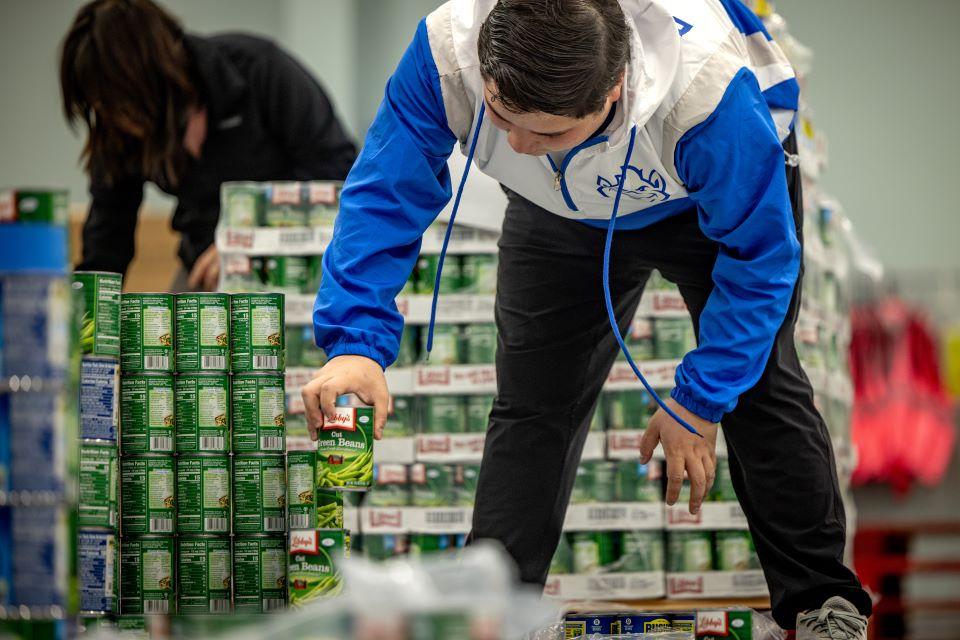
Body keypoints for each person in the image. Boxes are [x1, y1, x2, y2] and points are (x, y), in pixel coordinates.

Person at [302, 0, 871, 636]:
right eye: (500, 115)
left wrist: (700, 399)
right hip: (556, 210)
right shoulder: (446, 54)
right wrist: (355, 342)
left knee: (762, 387)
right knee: (533, 404)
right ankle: (494, 612)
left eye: (545, 132)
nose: (517, 144)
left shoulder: (709, 100)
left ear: (613, 91)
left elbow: (762, 263)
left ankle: (823, 602)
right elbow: (386, 188)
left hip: (699, 204)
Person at [61, 0, 356, 289]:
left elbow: (337, 168)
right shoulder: (119, 129)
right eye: (99, 106)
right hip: (205, 268)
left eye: (117, 103)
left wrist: (247, 241)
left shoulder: (259, 70)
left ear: (150, 80)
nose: (111, 118)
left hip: (299, 263)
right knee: (175, 331)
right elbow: (107, 242)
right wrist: (87, 320)